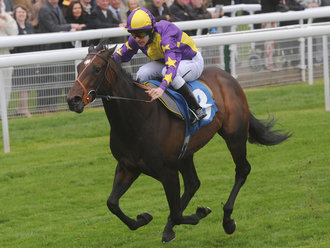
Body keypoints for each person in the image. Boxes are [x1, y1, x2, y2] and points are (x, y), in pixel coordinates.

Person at [113, 8, 206, 124]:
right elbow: (121, 53)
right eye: (133, 34)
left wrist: (162, 88)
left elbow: (172, 65)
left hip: (191, 61)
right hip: (165, 63)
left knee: (165, 73)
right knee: (142, 72)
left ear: (151, 30)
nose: (137, 39)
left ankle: (196, 108)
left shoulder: (167, 33)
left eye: (141, 35)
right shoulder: (138, 37)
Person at [37, 0, 85, 113]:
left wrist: (70, 27)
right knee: (50, 79)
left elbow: (60, 25)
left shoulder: (56, 7)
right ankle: (45, 107)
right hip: (50, 49)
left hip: (58, 49)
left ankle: (52, 107)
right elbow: (53, 27)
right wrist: (71, 26)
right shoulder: (44, 9)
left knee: (56, 79)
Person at [11, 4, 39, 117]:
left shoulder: (29, 26)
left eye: (23, 12)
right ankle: (25, 109)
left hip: (30, 59)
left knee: (28, 87)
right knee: (23, 86)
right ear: (15, 15)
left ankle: (20, 108)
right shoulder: (13, 27)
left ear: (26, 14)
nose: (21, 14)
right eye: (19, 12)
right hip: (18, 60)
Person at [0, 0, 18, 117]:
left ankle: (3, 114)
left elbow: (15, 35)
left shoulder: (6, 17)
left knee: (6, 87)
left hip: (5, 55)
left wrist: (5, 23)